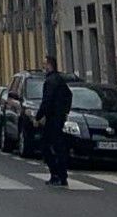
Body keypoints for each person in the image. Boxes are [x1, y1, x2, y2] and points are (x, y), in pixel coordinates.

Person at [35, 55, 72, 187]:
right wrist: (65, 111)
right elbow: (69, 95)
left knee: (46, 147)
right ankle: (62, 176)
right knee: (59, 147)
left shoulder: (50, 81)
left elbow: (47, 101)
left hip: (52, 119)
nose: (43, 67)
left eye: (44, 64)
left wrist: (38, 117)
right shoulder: (60, 80)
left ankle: (55, 174)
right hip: (59, 118)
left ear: (50, 65)